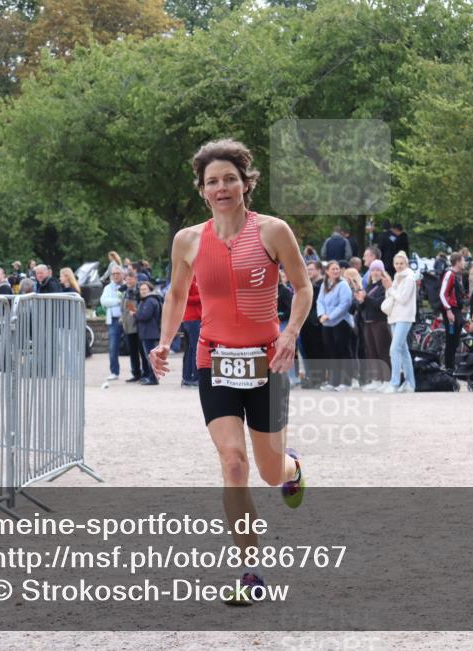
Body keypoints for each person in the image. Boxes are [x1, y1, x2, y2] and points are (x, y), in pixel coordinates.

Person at [148, 139, 311, 604]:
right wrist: (163, 342)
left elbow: (302, 288)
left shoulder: (273, 231)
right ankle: (250, 571)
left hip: (267, 359)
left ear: (245, 183)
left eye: (230, 179)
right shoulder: (188, 241)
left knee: (268, 469)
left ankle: (292, 466)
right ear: (202, 190)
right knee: (233, 464)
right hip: (214, 358)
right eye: (212, 181)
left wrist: (290, 333)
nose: (222, 188)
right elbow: (178, 298)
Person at [382, 251, 416, 393]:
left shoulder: (409, 278)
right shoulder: (397, 277)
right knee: (403, 350)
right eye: (396, 263)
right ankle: (410, 383)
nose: (399, 266)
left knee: (394, 349)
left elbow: (403, 298)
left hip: (405, 316)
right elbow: (390, 295)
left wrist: (390, 288)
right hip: (394, 316)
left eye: (401, 263)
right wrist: (390, 289)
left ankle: (395, 382)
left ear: (406, 264)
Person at [317, 261, 355, 390]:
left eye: (337, 269)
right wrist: (321, 314)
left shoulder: (343, 285)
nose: (335, 271)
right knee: (331, 352)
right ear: (327, 271)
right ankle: (334, 381)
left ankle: (347, 381)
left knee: (343, 351)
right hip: (326, 323)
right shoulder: (325, 284)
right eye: (333, 269)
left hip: (341, 322)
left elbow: (345, 303)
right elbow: (320, 301)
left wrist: (330, 315)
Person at [356, 260, 392, 391]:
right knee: (371, 352)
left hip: (380, 322)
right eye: (373, 270)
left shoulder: (384, 286)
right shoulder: (369, 286)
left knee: (383, 351)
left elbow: (380, 305)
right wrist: (360, 301)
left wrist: (366, 298)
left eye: (377, 270)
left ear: (382, 271)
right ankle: (376, 379)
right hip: (367, 322)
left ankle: (387, 380)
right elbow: (363, 307)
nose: (375, 272)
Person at [119, 271, 150, 383]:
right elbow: (124, 309)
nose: (128, 281)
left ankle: (146, 373)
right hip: (128, 326)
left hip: (137, 327)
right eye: (127, 279)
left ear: (135, 279)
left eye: (130, 279)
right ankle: (136, 373)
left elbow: (133, 309)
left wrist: (132, 312)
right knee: (132, 352)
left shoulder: (138, 292)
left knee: (142, 352)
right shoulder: (126, 292)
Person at [438, 252, 467, 371]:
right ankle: (449, 367)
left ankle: (452, 366)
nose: (464, 262)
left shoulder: (458, 275)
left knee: (455, 340)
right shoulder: (449, 274)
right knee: (451, 340)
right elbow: (442, 294)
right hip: (451, 311)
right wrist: (448, 310)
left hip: (457, 311)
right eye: (463, 260)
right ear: (458, 261)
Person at [299, 260, 325, 388]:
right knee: (308, 352)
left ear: (319, 270)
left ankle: (319, 379)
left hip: (316, 323)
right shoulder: (308, 284)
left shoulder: (322, 285)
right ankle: (313, 378)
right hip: (305, 323)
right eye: (307, 269)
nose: (308, 272)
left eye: (311, 269)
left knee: (317, 352)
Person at [99, 267, 126, 382]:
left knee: (134, 345)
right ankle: (114, 372)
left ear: (122, 274)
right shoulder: (108, 288)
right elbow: (104, 302)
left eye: (117, 273)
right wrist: (119, 301)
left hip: (126, 319)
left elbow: (129, 301)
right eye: (113, 273)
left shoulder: (126, 285)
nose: (115, 275)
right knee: (112, 347)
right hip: (114, 320)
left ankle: (138, 371)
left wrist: (114, 301)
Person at [181, 276, 202, 387]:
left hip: (195, 318)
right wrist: (202, 296)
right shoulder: (189, 279)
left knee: (190, 350)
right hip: (192, 319)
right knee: (195, 349)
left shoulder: (197, 279)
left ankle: (188, 377)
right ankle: (195, 377)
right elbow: (185, 298)